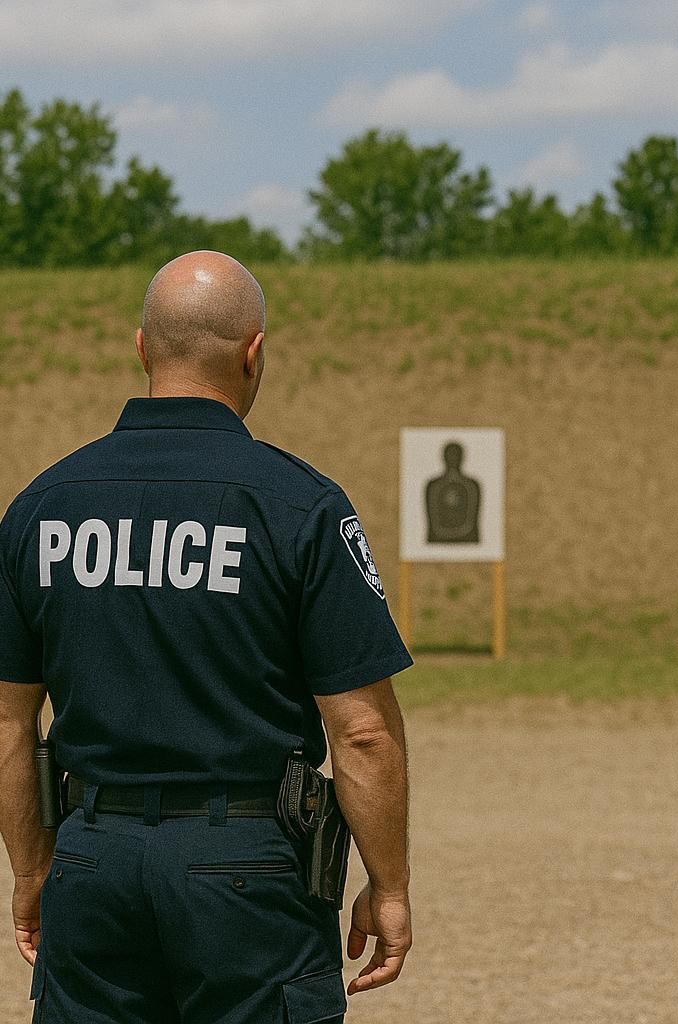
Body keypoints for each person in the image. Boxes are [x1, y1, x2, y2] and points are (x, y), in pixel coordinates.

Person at [0, 251, 414, 1023]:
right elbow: (360, 733)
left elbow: (7, 722)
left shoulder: (42, 505)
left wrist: (33, 868)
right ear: (255, 353)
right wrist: (388, 887)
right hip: (247, 873)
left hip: (92, 861)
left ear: (142, 348)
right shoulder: (300, 506)